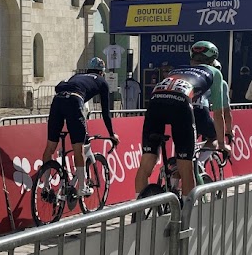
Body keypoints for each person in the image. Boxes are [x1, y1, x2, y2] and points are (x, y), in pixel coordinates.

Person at [135, 40, 231, 200]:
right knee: (186, 167)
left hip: (155, 102)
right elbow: (218, 113)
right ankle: (188, 211)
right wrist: (221, 144)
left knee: (146, 164)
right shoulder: (215, 72)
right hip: (181, 104)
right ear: (212, 60)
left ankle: (138, 210)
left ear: (192, 58)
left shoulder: (177, 70)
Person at [40, 57, 119, 197]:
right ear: (102, 72)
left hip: (58, 100)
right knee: (78, 148)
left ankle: (45, 185)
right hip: (74, 102)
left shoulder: (77, 76)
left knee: (50, 147)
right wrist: (112, 134)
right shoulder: (102, 82)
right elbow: (105, 113)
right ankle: (82, 187)